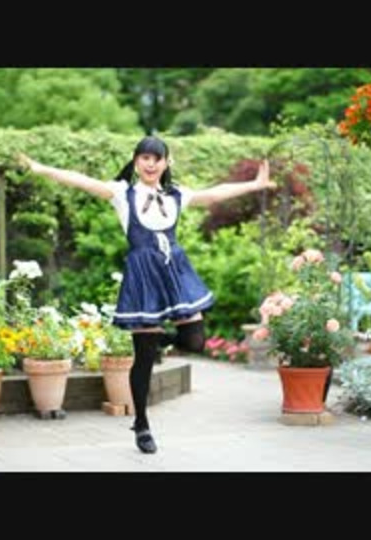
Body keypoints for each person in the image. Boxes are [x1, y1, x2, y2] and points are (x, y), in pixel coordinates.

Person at [16, 136, 276, 453]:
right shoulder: (122, 193)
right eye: (145, 158)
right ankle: (141, 424)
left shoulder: (176, 194)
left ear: (166, 163)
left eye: (157, 158)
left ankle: (158, 342)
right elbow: (82, 181)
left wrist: (255, 184)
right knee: (143, 359)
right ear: (136, 161)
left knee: (195, 340)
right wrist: (41, 168)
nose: (151, 164)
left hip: (174, 272)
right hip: (143, 277)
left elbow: (212, 195)